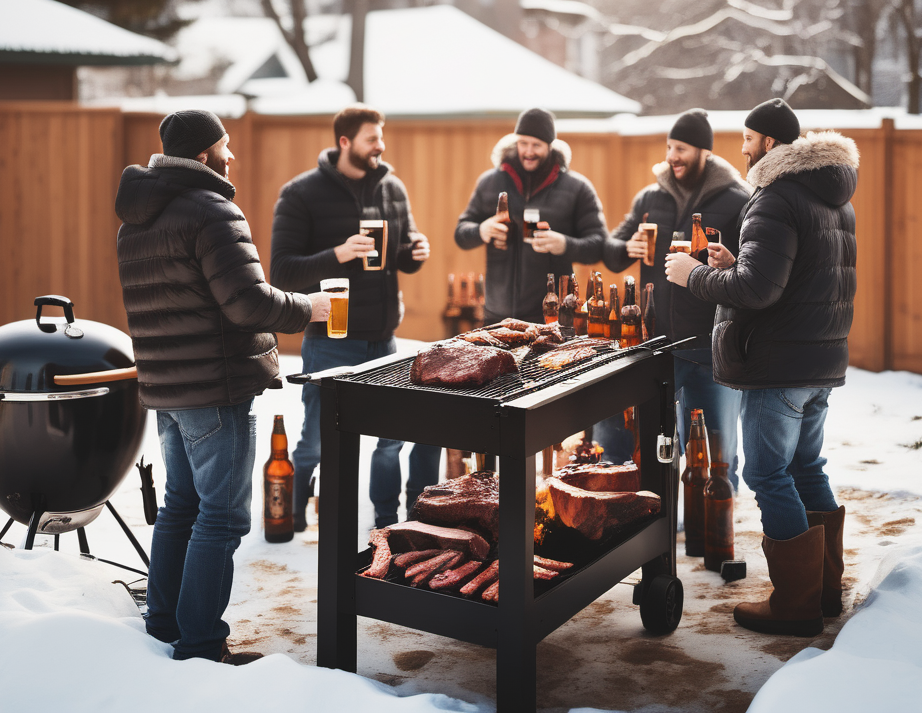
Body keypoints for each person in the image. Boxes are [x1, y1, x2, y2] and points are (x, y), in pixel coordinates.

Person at [115, 109, 329, 664]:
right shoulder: (211, 211)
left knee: (182, 505)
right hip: (215, 387)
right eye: (225, 144)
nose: (233, 154)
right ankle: (203, 643)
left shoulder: (136, 219)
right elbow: (247, 303)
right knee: (223, 516)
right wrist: (312, 306)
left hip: (168, 390)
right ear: (205, 154)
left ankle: (164, 622)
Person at [665, 98, 857, 637]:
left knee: (767, 473)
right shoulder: (832, 197)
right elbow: (792, 277)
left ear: (769, 143)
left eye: (748, 139)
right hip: (819, 360)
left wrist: (692, 276)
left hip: (779, 363)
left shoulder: (774, 197)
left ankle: (795, 603)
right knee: (806, 468)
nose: (742, 149)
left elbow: (758, 291)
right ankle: (823, 589)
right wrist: (733, 263)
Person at [271, 106, 435, 530]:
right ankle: (292, 507)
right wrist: (339, 255)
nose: (380, 145)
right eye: (371, 138)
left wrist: (415, 254)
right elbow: (282, 271)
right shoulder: (301, 193)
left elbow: (398, 256)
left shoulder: (392, 189)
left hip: (383, 339)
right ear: (344, 142)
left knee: (390, 438)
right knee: (317, 440)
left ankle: (385, 519)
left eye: (381, 137)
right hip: (330, 339)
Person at [602, 108, 749, 479]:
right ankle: (663, 527)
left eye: (681, 148)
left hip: (711, 347)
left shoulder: (737, 200)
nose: (672, 156)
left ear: (704, 152)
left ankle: (713, 530)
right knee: (655, 447)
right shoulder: (650, 198)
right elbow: (612, 251)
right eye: (669, 147)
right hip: (656, 346)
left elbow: (752, 271)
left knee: (716, 457)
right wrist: (626, 248)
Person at [454, 107, 608, 323]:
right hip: (497, 316)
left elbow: (599, 245)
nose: (528, 151)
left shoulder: (577, 188)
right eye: (523, 143)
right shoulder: (490, 182)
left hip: (553, 316)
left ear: (550, 146)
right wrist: (482, 230)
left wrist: (563, 244)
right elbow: (461, 234)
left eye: (536, 145)